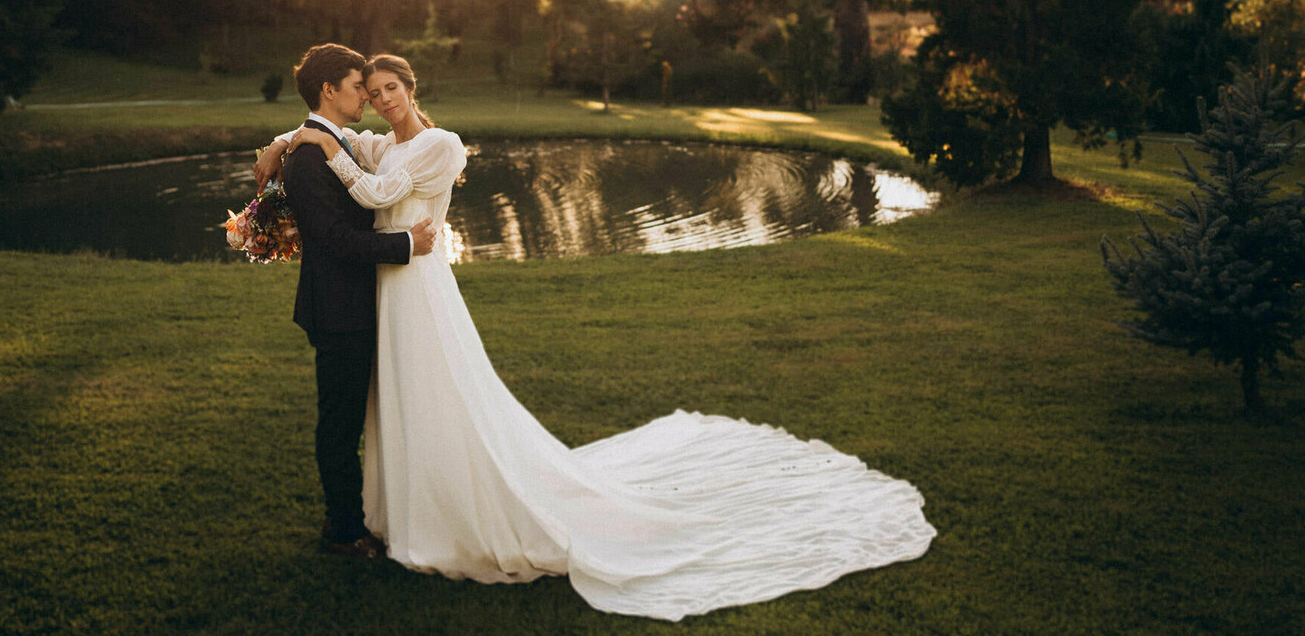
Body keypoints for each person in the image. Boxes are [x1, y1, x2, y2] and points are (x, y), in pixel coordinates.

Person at [256, 52, 936, 621]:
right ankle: (394, 511)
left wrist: (312, 145)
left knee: (438, 394)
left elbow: (374, 193)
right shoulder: (378, 142)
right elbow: (356, 159)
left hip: (418, 289)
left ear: (412, 89)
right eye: (371, 92)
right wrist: (293, 142)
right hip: (388, 290)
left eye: (389, 88)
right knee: (393, 401)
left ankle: (442, 509)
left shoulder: (440, 143)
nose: (379, 99)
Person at [275, 44, 436, 559]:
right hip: (340, 309)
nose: (367, 96)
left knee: (366, 416)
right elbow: (335, 240)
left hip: (361, 303)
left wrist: (276, 142)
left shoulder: (330, 142)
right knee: (341, 422)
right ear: (329, 90)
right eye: (357, 87)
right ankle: (343, 530)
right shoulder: (308, 155)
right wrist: (407, 243)